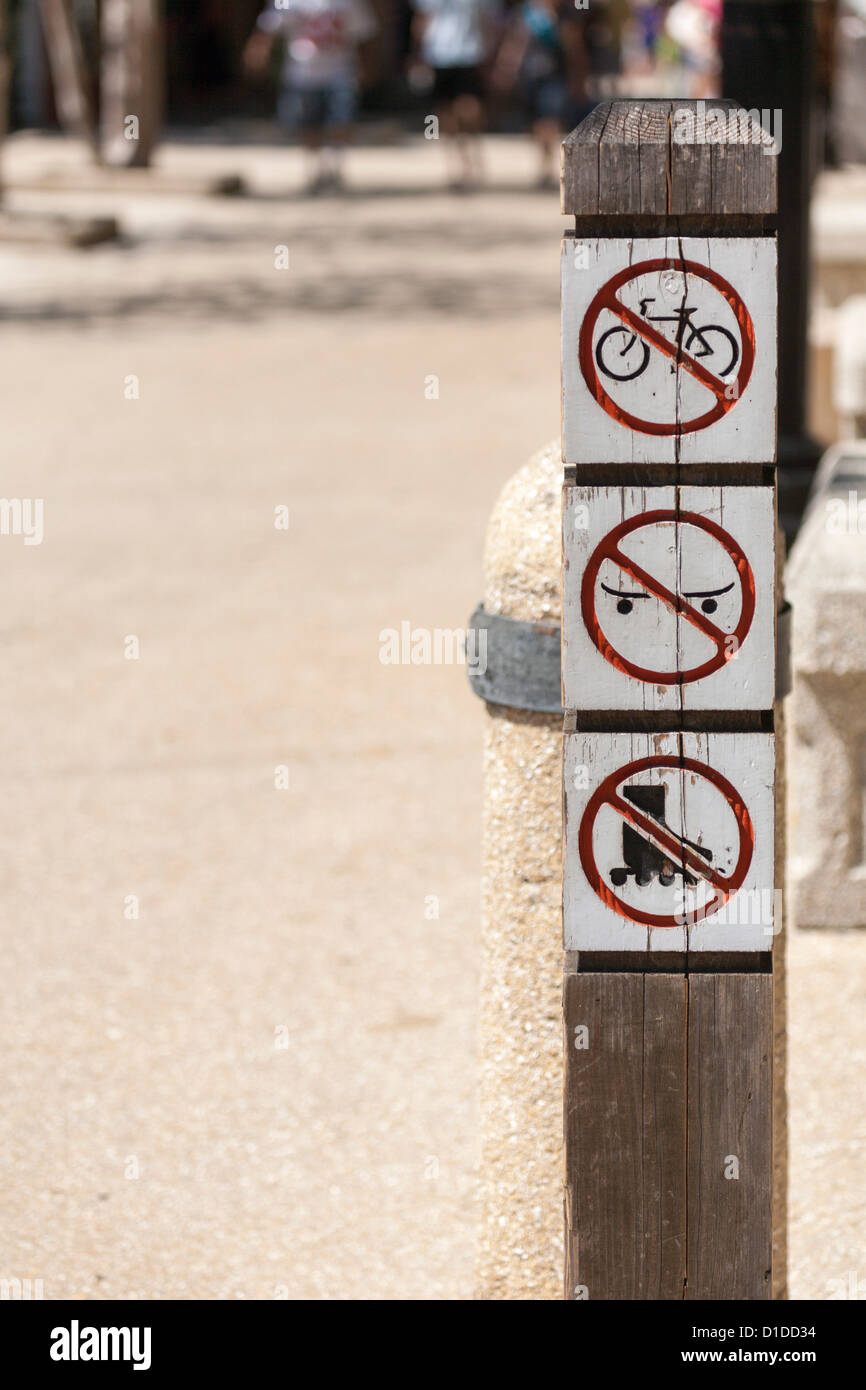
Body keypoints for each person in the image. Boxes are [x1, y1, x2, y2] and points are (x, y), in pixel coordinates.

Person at [244, 0, 378, 194]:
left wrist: (367, 67)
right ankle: (313, 169)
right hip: (301, 74)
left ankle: (335, 166)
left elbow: (364, 34)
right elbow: (269, 25)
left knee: (341, 120)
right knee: (307, 123)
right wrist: (258, 51)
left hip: (341, 72)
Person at [492, 0, 588, 189]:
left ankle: (547, 165)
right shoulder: (528, 13)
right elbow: (515, 42)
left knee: (549, 120)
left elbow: (575, 50)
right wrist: (506, 68)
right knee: (535, 122)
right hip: (529, 76)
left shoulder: (566, 15)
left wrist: (578, 81)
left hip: (555, 76)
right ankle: (542, 160)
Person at [411, 0, 501, 191]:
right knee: (448, 112)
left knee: (464, 109)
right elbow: (422, 20)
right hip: (443, 54)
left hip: (466, 54)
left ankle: (470, 159)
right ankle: (457, 164)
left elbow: (487, 20)